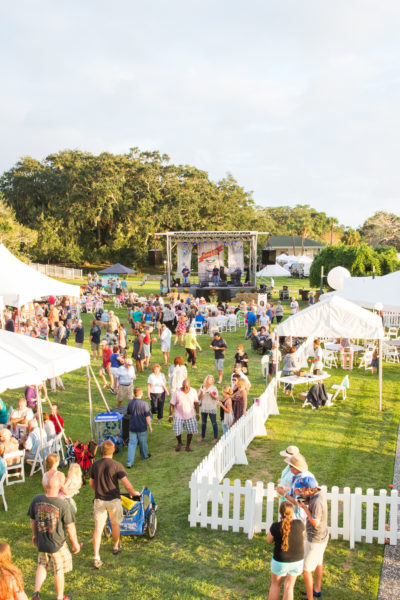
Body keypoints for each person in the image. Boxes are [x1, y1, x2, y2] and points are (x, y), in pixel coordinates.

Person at [28, 475, 81, 600]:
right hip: (57, 544)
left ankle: (36, 593)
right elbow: (70, 527)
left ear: (46, 487)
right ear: (59, 488)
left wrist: (35, 535)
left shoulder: (36, 499)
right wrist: (75, 543)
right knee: (59, 569)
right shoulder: (62, 504)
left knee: (42, 564)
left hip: (42, 540)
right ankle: (59, 597)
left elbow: (32, 521)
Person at [89, 440, 140, 568]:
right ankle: (116, 546)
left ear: (102, 451)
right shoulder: (117, 465)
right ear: (113, 451)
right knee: (115, 524)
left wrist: (99, 489)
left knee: (98, 529)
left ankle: (96, 556)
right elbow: (127, 484)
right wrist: (133, 492)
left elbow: (91, 483)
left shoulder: (95, 465)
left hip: (99, 500)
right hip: (114, 500)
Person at [294, 476, 329, 600]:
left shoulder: (317, 501)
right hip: (322, 536)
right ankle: (317, 590)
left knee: (306, 569)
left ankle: (310, 598)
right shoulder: (318, 492)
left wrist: (304, 508)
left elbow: (315, 522)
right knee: (319, 563)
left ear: (309, 489)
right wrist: (299, 496)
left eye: (302, 489)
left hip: (315, 539)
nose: (301, 491)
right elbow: (307, 500)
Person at [266, 501, 305, 600]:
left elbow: (269, 540)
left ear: (280, 513)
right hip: (297, 561)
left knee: (275, 585)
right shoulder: (300, 524)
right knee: (289, 587)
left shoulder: (275, 526)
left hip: (280, 561)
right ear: (292, 512)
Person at [169, 379, 199, 452]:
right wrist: (170, 415)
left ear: (189, 386)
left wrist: (197, 413)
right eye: (183, 386)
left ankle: (187, 446)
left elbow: (196, 403)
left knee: (190, 431)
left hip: (190, 414)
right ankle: (179, 443)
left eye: (186, 387)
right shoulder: (177, 392)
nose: (185, 388)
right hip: (179, 415)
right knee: (177, 430)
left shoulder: (193, 391)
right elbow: (172, 404)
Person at [126, 387, 152, 467]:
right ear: (140, 394)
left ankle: (129, 462)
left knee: (132, 444)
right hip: (141, 427)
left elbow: (128, 413)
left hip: (132, 427)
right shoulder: (144, 404)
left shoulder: (130, 403)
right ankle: (144, 456)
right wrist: (150, 427)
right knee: (143, 443)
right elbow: (147, 417)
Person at [198, 375, 219, 443]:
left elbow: (216, 398)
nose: (211, 381)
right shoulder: (202, 387)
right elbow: (198, 398)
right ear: (206, 380)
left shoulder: (214, 388)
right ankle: (202, 437)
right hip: (204, 407)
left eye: (212, 379)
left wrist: (210, 393)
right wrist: (201, 392)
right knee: (203, 423)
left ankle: (215, 438)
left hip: (211, 407)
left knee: (214, 422)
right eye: (210, 379)